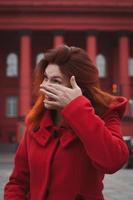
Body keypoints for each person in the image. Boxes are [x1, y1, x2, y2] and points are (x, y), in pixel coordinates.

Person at [4, 45, 129, 200]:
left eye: (55, 81)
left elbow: (113, 161)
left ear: (78, 87)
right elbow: (18, 182)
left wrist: (77, 108)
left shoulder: (105, 115)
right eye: (45, 78)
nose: (44, 86)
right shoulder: (36, 121)